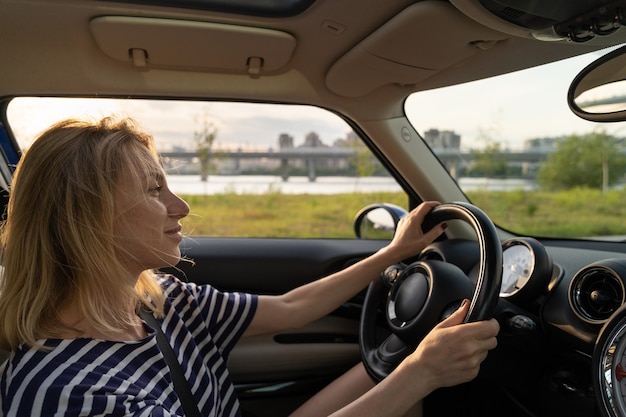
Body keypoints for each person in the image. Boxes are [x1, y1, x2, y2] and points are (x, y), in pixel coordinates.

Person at [0, 117, 499, 417]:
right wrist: (421, 373)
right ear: (85, 220)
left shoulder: (163, 301)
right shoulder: (69, 394)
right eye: (154, 190)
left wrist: (392, 253)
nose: (181, 208)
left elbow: (291, 308)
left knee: (393, 372)